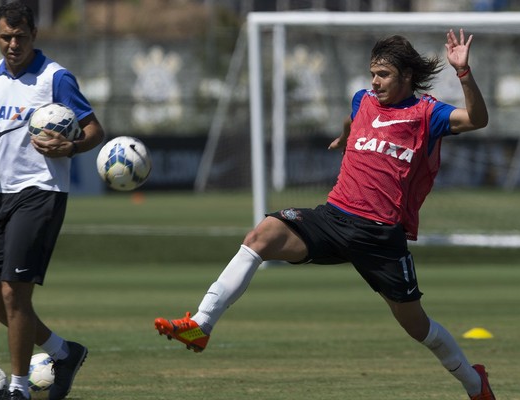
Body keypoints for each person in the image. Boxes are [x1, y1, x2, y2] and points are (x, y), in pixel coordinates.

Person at [154, 29, 495, 399]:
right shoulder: (361, 99)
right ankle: (201, 324)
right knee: (261, 235)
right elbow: (354, 120)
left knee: (418, 327)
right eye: (372, 74)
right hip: (333, 217)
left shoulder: (427, 113)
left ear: (407, 77)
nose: (374, 82)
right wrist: (347, 137)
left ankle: (475, 384)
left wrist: (463, 73)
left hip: (379, 238)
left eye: (384, 75)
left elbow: (478, 119)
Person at [0, 2, 104, 399]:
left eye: (20, 36)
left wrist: (71, 146)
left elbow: (95, 130)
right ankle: (63, 351)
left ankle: (19, 388)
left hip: (41, 191)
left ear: (34, 35)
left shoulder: (55, 77)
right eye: (6, 37)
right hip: (0, 193)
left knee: (13, 291)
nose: (13, 44)